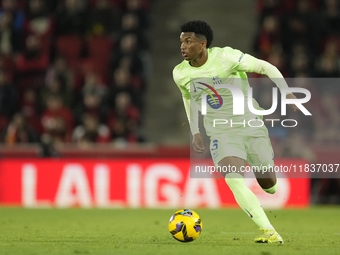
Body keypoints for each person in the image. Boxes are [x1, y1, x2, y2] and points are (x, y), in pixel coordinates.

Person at [173, 20, 299, 244]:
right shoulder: (180, 73)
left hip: (251, 125)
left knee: (269, 186)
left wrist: (286, 92)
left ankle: (271, 184)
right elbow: (188, 98)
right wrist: (196, 132)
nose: (182, 45)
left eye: (188, 41)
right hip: (221, 133)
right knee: (233, 178)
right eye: (181, 40)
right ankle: (269, 230)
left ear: (202, 44)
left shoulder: (227, 57)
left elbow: (265, 67)